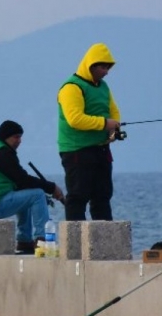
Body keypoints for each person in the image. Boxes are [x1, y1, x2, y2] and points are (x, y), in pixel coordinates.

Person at [0, 120, 64, 254]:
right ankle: (42, 241)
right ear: (6, 137)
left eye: (20, 137)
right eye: (16, 137)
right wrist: (52, 188)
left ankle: (24, 242)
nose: (20, 141)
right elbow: (22, 179)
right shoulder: (3, 153)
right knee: (38, 194)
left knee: (27, 194)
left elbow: (20, 183)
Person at [57, 43, 121, 221]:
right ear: (90, 65)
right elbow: (75, 119)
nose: (106, 71)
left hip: (101, 149)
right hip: (77, 150)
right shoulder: (71, 87)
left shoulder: (103, 86)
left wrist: (113, 129)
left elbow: (114, 111)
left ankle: (104, 241)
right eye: (102, 67)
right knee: (78, 196)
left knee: (103, 196)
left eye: (108, 67)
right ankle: (76, 243)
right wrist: (105, 124)